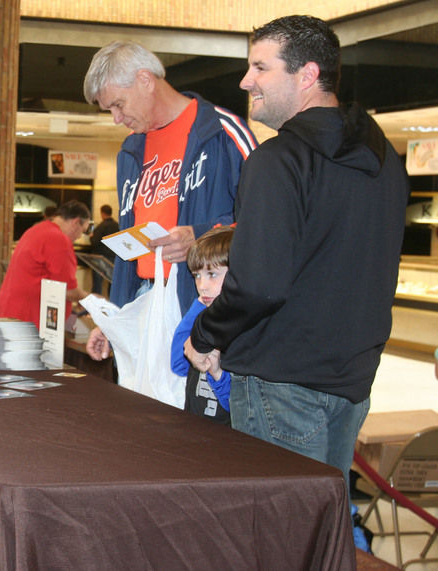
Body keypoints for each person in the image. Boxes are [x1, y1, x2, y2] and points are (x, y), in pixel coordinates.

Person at [185, 15, 410, 487]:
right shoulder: (385, 162)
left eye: (260, 68)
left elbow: (259, 283)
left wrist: (204, 334)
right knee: (317, 532)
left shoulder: (278, 161)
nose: (246, 81)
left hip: (279, 382)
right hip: (350, 383)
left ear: (307, 75)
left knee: (274, 534)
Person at [82, 40, 257, 361]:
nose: (116, 119)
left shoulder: (222, 132)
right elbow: (129, 250)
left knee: (191, 411)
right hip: (145, 300)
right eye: (110, 110)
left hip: (201, 303)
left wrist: (201, 236)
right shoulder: (130, 153)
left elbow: (264, 223)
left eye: (118, 105)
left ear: (146, 80)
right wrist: (115, 321)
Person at [0, 199, 90, 329]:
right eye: (82, 231)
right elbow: (67, 290)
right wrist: (91, 299)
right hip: (28, 322)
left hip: (8, 314)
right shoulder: (59, 239)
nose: (79, 237)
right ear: (76, 222)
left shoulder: (36, 230)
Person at [171, 225, 232, 425]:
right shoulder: (202, 318)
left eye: (212, 275)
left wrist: (218, 374)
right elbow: (178, 363)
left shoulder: (242, 331)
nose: (202, 285)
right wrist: (199, 304)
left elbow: (235, 405)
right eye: (197, 275)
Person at [89, 204, 119, 295]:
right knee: (112, 283)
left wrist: (91, 237)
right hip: (113, 258)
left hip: (100, 258)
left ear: (102, 213)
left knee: (98, 284)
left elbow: (94, 241)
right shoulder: (117, 225)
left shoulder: (101, 226)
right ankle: (112, 304)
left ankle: (96, 305)